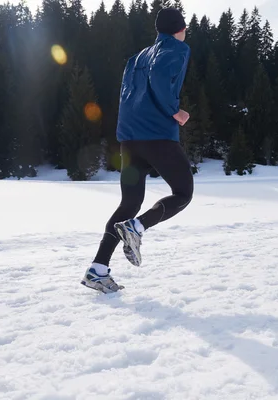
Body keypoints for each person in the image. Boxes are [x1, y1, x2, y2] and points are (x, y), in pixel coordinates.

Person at [81, 8, 194, 294]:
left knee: (128, 204)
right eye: (184, 27)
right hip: (157, 135)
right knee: (183, 192)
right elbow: (158, 79)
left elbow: (128, 94)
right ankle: (138, 228)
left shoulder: (136, 58)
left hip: (130, 139)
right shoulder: (176, 49)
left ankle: (98, 270)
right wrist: (175, 112)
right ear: (179, 29)